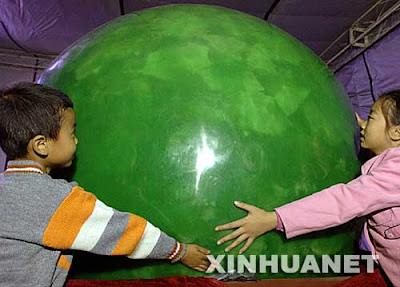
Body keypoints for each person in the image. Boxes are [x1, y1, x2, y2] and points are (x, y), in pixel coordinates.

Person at [0, 82, 210, 287]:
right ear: (41, 145)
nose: (76, 141)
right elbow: (123, 231)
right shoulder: (53, 199)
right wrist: (179, 251)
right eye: (71, 133)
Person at [215, 90, 400, 286]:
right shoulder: (387, 167)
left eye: (371, 118)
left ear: (396, 132)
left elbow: (342, 201)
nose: (362, 124)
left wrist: (274, 219)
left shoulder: (395, 171)